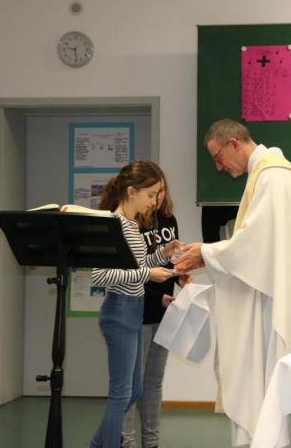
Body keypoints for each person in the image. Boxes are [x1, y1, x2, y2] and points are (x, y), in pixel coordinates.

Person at [174, 119, 291, 447]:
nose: (218, 166)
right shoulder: (271, 175)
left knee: (268, 383)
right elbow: (257, 247)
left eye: (217, 157)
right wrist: (209, 255)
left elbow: (253, 245)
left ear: (234, 144)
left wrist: (207, 253)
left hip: (275, 302)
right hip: (274, 292)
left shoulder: (273, 178)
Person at [86, 160, 181, 448]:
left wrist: (161, 255)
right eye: (151, 195)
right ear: (131, 192)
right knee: (121, 394)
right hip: (118, 312)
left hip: (133, 311)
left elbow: (136, 267)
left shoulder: (131, 224)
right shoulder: (113, 225)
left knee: (135, 389)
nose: (155, 201)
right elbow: (99, 275)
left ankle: (95, 444)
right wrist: (147, 273)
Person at [121, 170, 185, 448]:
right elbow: (133, 270)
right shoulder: (132, 223)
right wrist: (156, 296)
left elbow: (168, 263)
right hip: (139, 311)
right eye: (152, 193)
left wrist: (181, 274)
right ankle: (126, 441)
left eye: (161, 192)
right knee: (132, 385)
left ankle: (152, 443)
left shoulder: (169, 220)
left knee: (154, 383)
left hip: (164, 313)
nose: (157, 199)